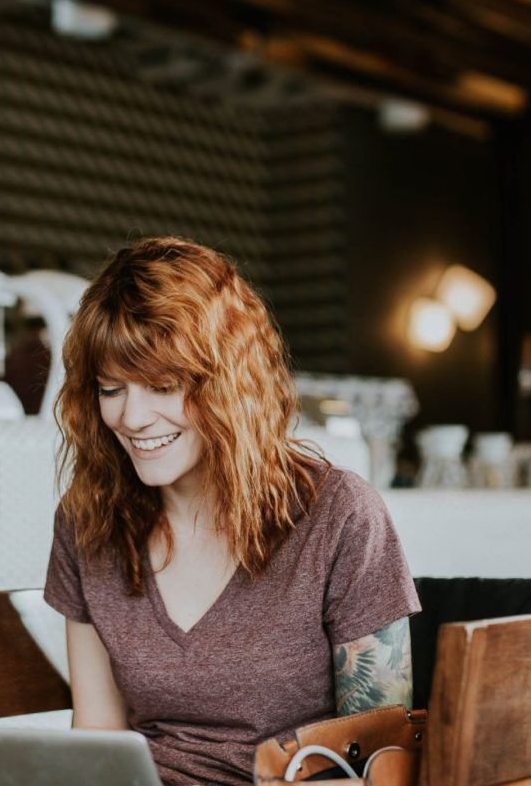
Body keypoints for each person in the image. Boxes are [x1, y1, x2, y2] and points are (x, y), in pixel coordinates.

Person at [44, 237, 420, 786]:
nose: (133, 417)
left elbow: (383, 762)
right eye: (111, 388)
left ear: (229, 383)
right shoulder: (87, 522)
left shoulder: (339, 516)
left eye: (164, 386)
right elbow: (97, 731)